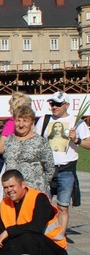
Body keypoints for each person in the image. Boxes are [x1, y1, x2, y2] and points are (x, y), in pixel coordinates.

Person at [34, 91, 90, 236]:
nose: (54, 107)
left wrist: (76, 140)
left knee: (63, 206)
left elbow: (89, 143)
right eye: (52, 103)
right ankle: (44, 232)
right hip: (46, 168)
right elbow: (35, 140)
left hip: (66, 168)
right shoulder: (44, 120)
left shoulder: (76, 122)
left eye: (58, 104)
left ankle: (60, 236)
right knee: (43, 203)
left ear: (66, 105)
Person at [0, 105, 54, 196]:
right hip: (12, 192)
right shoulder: (8, 140)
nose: (21, 125)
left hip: (34, 190)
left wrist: (42, 184)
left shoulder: (40, 141)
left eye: (25, 121)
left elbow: (50, 168)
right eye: (18, 120)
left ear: (32, 122)